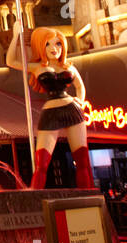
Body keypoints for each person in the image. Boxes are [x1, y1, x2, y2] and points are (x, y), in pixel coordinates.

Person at [6, 27, 94, 189]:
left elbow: (81, 87)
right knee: (42, 163)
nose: (54, 48)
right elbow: (11, 62)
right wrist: (16, 36)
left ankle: (88, 194)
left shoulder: (69, 67)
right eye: (48, 44)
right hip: (51, 113)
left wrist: (79, 102)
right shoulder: (37, 67)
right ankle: (35, 195)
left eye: (58, 44)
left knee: (82, 161)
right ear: (40, 46)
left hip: (72, 110)